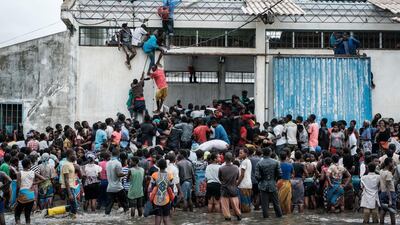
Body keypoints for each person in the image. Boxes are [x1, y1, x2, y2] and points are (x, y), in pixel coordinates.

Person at [15, 158, 45, 224]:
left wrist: (16, 197)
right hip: (31, 195)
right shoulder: (32, 172)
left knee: (17, 213)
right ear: (29, 165)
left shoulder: (19, 173)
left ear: (22, 165)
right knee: (27, 215)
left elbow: (18, 187)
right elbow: (43, 179)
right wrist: (33, 183)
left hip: (22, 195)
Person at [255, 147, 282, 218]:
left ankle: (266, 220)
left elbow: (257, 176)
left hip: (263, 185)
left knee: (264, 205)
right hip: (273, 184)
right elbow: (280, 174)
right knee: (276, 204)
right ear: (270, 153)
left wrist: (262, 180)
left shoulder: (259, 163)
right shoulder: (276, 162)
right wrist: (274, 180)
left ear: (263, 153)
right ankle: (279, 218)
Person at [149, 159, 173, 225]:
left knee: (158, 217)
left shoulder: (154, 175)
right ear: (166, 166)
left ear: (158, 165)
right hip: (166, 199)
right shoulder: (170, 175)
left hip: (156, 200)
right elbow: (171, 188)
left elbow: (151, 188)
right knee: (166, 217)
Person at [218, 152, 241, 221]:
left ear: (224, 159)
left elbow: (220, 178)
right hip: (233, 188)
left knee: (225, 207)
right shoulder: (236, 167)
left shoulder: (221, 168)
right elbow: (237, 178)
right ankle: (238, 215)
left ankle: (228, 218)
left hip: (224, 189)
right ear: (232, 159)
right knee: (235, 205)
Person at [105, 148, 129, 215]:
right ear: (118, 154)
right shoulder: (118, 163)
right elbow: (119, 174)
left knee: (108, 206)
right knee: (125, 204)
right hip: (118, 187)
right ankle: (127, 217)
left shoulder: (108, 163)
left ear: (111, 154)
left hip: (109, 187)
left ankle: (106, 216)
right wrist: (127, 173)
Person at [60, 149, 80, 218]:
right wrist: (69, 193)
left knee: (74, 205)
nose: (75, 156)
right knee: (74, 206)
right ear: (69, 155)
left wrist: (78, 168)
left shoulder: (73, 164)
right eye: (74, 154)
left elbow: (79, 176)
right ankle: (71, 219)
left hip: (72, 186)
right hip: (68, 187)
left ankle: (67, 217)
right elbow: (66, 179)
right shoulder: (66, 165)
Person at [379, 158, 396, 225]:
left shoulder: (381, 171)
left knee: (383, 210)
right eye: (392, 162)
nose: (393, 163)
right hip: (390, 193)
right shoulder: (388, 173)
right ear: (389, 163)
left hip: (383, 193)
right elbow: (388, 187)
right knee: (392, 212)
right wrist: (390, 199)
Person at [237, 148, 252, 213]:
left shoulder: (244, 162)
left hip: (243, 185)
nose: (239, 154)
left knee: (244, 204)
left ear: (246, 154)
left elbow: (242, 175)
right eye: (239, 153)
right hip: (248, 184)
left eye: (241, 153)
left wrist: (237, 183)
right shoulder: (248, 161)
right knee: (248, 203)